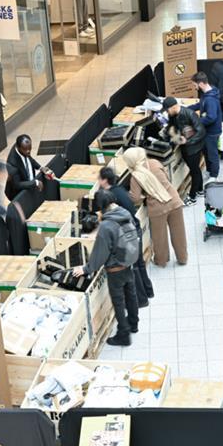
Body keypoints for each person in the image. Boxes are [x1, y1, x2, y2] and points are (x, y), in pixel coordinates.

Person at [72, 189, 139, 346]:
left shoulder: (107, 226)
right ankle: (134, 323)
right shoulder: (124, 213)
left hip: (115, 269)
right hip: (129, 261)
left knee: (118, 301)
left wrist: (86, 269)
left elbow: (100, 253)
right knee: (131, 294)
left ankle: (123, 334)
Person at [94, 166, 154, 307]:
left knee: (134, 268)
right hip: (135, 228)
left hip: (130, 234)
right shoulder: (119, 189)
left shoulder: (110, 196)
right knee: (139, 264)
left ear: (104, 180)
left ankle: (142, 300)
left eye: (99, 178)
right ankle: (148, 291)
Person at [122, 147, 188, 267]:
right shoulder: (155, 163)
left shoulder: (135, 176)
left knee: (159, 237)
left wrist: (143, 195)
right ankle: (182, 258)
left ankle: (161, 260)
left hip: (157, 209)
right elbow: (167, 178)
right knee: (179, 233)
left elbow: (135, 198)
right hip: (174, 200)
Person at [163, 97, 206, 205]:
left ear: (173, 107)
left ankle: (192, 197)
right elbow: (171, 126)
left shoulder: (190, 114)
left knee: (194, 171)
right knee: (195, 169)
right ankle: (200, 190)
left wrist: (187, 141)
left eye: (167, 110)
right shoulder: (172, 115)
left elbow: (201, 132)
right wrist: (167, 134)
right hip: (185, 147)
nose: (167, 112)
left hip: (194, 148)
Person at [189, 71, 223, 180]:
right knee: (207, 152)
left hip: (212, 132)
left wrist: (196, 122)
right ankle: (209, 171)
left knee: (212, 154)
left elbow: (211, 117)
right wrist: (187, 109)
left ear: (200, 84)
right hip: (207, 131)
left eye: (195, 85)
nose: (195, 87)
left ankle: (214, 176)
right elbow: (200, 104)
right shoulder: (207, 93)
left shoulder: (210, 99)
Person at [5, 134, 52, 200]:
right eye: (25, 149)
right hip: (18, 195)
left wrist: (40, 168)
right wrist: (35, 182)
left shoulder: (23, 148)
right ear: (18, 147)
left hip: (28, 186)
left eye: (29, 148)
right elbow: (17, 184)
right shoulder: (12, 163)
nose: (28, 151)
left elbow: (29, 158)